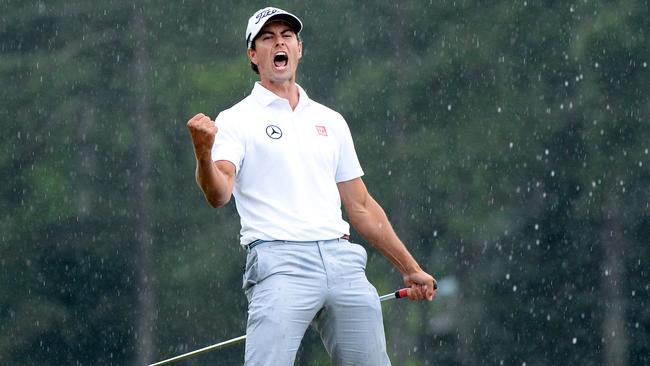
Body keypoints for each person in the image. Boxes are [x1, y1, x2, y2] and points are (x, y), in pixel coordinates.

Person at [186, 6, 437, 366]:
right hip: (278, 262)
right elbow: (219, 193)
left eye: (286, 36)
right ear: (253, 55)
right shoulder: (235, 119)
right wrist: (203, 152)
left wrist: (409, 267)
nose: (279, 43)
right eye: (267, 38)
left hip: (343, 261)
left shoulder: (329, 121)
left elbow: (361, 206)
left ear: (299, 49)